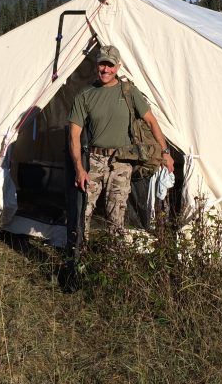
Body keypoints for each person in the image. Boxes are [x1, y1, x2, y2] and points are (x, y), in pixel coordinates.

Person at [68, 45, 175, 242]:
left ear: (118, 67)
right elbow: (74, 134)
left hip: (121, 161)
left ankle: (114, 262)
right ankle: (79, 258)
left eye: (110, 65)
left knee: (116, 213)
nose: (105, 70)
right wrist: (79, 168)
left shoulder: (129, 92)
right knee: (83, 210)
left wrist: (165, 152)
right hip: (95, 160)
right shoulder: (85, 95)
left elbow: (151, 121)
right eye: (102, 64)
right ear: (97, 65)